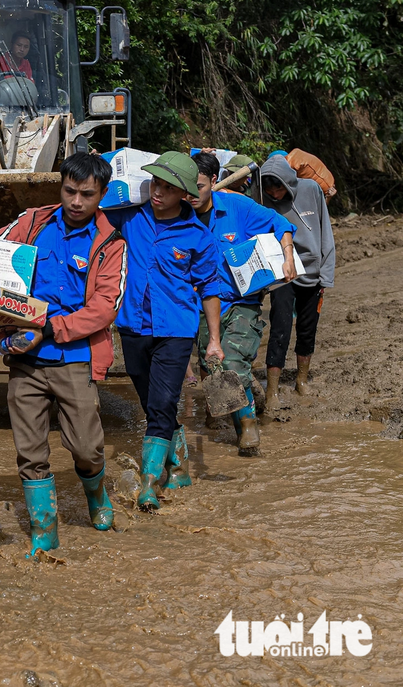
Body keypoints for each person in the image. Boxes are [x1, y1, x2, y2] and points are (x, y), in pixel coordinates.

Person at [0, 153, 126, 553]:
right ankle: (44, 529)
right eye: (69, 191)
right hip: (25, 361)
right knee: (29, 451)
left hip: (75, 359)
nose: (76, 201)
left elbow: (105, 307)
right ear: (60, 186)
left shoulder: (111, 242)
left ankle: (95, 493)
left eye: (87, 194)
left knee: (86, 448)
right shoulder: (32, 221)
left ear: (102, 195)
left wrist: (47, 328)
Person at [104, 152, 225, 510]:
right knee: (150, 402)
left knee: (160, 403)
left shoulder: (198, 237)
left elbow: (210, 288)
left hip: (175, 330)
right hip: (133, 326)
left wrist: (214, 341)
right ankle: (180, 464)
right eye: (155, 183)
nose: (157, 192)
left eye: (168, 188)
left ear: (185, 195)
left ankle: (149, 484)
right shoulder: (129, 217)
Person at [189, 152, 297, 456]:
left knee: (233, 362)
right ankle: (243, 401)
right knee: (213, 367)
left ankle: (247, 426)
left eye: (198, 186)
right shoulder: (179, 213)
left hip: (241, 301)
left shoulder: (237, 207)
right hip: (201, 305)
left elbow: (281, 224)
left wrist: (287, 256)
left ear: (213, 182)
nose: (191, 194)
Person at [259, 154, 336, 407]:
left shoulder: (311, 189)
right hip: (284, 271)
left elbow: (325, 231)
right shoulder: (261, 200)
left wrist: (326, 273)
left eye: (278, 186)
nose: (274, 192)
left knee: (307, 328)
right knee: (280, 327)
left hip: (312, 271)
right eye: (268, 186)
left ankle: (301, 381)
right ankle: (272, 391)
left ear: (289, 182)